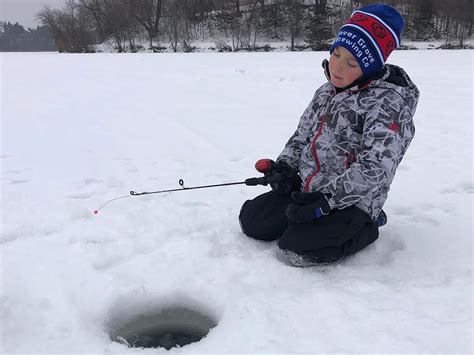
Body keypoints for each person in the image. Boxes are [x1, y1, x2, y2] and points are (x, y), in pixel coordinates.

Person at [239, 4, 420, 267]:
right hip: (308, 188)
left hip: (353, 201)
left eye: (351, 62)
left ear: (370, 67)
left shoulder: (388, 104)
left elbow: (375, 169)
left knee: (296, 249)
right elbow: (301, 136)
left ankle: (369, 224)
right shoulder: (326, 91)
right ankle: (308, 212)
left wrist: (326, 202)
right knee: (254, 222)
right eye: (336, 54)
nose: (337, 67)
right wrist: (286, 168)